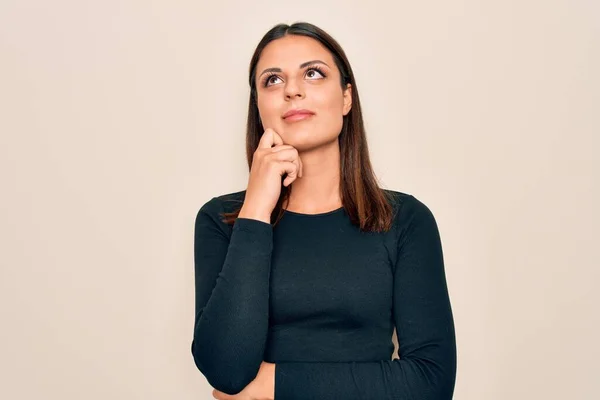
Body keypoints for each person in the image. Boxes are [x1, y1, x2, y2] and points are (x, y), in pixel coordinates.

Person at [191, 21, 457, 400]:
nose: (293, 91)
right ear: (259, 106)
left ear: (346, 98)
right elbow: (225, 370)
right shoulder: (223, 220)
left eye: (313, 74)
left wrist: (273, 385)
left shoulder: (404, 220)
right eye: (272, 80)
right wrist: (255, 210)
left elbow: (431, 383)